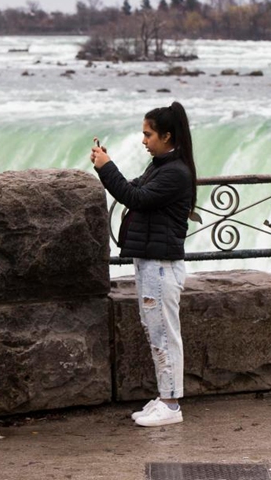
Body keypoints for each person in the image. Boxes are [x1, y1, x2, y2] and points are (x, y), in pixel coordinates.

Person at [90, 101, 197, 427]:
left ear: (167, 135)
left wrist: (106, 167)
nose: (143, 140)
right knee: (157, 335)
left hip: (162, 266)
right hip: (151, 263)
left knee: (164, 336)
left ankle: (171, 406)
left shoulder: (175, 173)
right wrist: (107, 165)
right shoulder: (162, 165)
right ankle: (165, 398)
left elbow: (135, 198)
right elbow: (135, 188)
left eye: (148, 134)